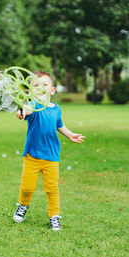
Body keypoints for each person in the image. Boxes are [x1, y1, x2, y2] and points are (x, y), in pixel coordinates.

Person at [13, 70, 85, 231]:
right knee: (27, 187)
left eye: (44, 84)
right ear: (30, 92)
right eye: (36, 85)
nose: (41, 87)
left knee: (52, 189)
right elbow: (25, 111)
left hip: (51, 156)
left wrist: (70, 135)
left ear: (52, 90)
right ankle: (23, 206)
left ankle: (54, 216)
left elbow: (59, 125)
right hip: (32, 156)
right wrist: (21, 112)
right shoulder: (33, 105)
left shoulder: (56, 109)